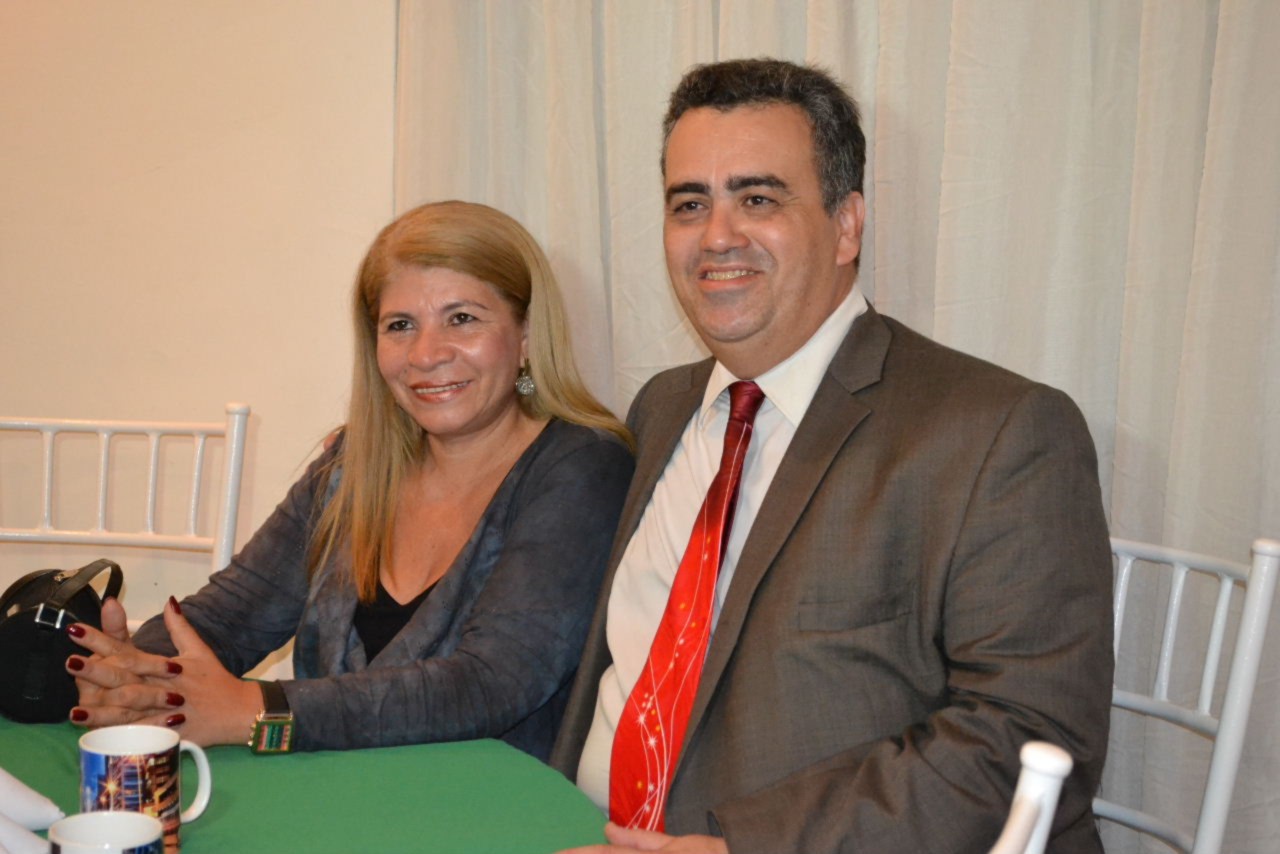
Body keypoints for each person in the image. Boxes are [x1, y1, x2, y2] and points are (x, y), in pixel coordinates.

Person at [552, 59, 1113, 853]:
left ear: (848, 225)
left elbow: (1029, 739)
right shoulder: (663, 407)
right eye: (689, 204)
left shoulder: (999, 432)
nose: (717, 235)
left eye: (758, 198)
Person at [64, 200, 635, 760]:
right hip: (328, 796)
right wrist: (129, 674)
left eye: (462, 318)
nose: (426, 355)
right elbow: (228, 619)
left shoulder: (582, 466)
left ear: (527, 334)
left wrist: (258, 709)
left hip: (482, 806)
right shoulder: (352, 466)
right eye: (400, 326)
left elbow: (490, 684)